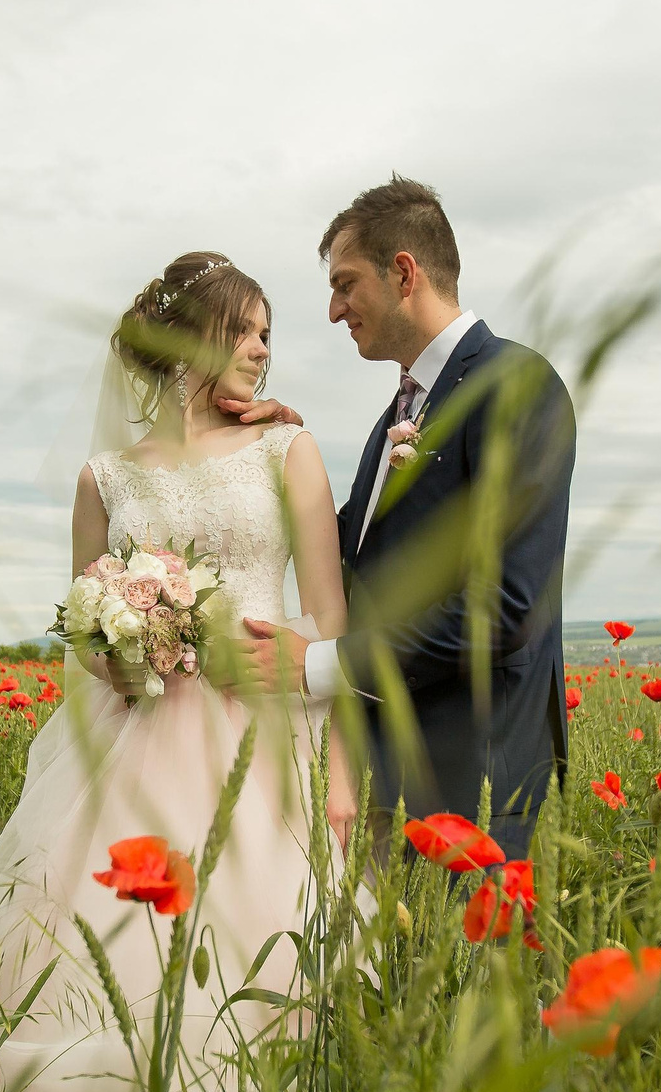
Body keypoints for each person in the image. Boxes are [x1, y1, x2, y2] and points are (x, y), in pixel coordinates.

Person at [0, 251, 361, 1092]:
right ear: (194, 337)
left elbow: (330, 620)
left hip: (262, 735)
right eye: (249, 329)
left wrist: (338, 768)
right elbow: (82, 624)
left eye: (270, 335)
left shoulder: (286, 452)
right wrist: (125, 641)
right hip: (132, 739)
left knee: (254, 952)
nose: (263, 350)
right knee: (110, 949)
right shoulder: (105, 477)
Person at [234, 176, 576, 864]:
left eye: (345, 283)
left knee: (467, 973)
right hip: (389, 774)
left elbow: (506, 605)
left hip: (474, 775)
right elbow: (348, 559)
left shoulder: (515, 384)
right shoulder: (394, 418)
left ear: (403, 272)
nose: (334, 310)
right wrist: (264, 456)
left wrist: (320, 665)